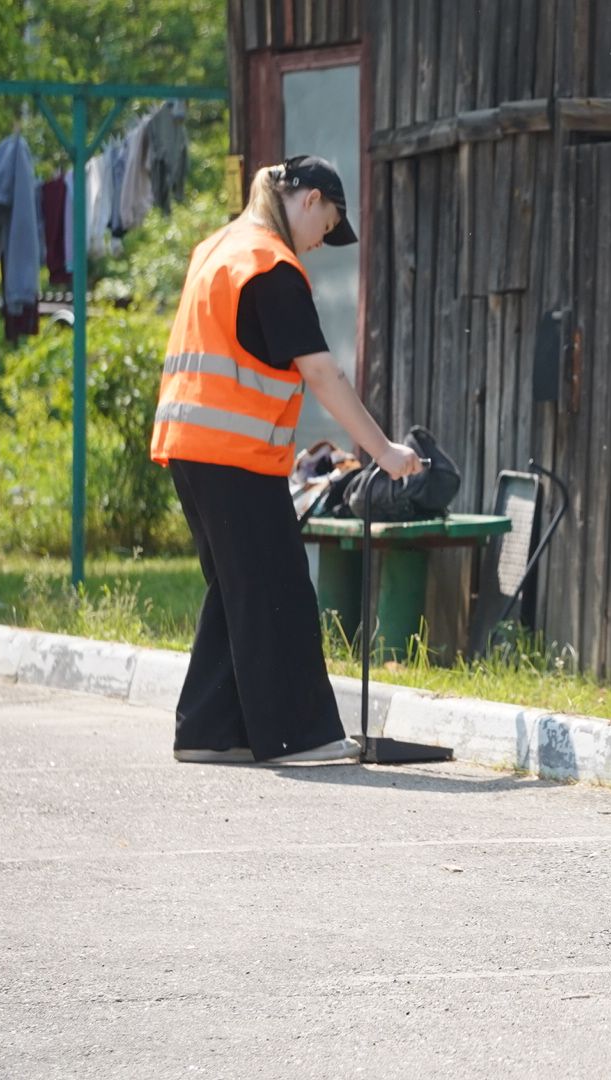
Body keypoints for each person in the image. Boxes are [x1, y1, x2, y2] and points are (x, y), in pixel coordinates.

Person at [150, 155, 423, 765]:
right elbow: (321, 373)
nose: (321, 241)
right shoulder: (271, 266)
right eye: (325, 225)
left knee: (238, 589)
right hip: (233, 456)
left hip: (191, 448)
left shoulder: (217, 248)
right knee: (279, 591)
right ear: (308, 200)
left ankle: (210, 730)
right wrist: (384, 452)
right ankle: (300, 737)